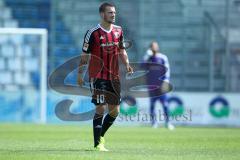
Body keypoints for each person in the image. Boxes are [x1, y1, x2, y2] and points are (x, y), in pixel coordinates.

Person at [77, 2, 133, 151]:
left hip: (114, 77)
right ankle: (97, 144)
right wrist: (79, 74)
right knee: (101, 108)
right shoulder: (93, 33)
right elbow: (84, 56)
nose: (113, 15)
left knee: (115, 111)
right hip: (97, 76)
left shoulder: (119, 30)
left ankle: (100, 135)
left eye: (114, 12)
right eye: (110, 12)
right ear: (102, 14)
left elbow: (122, 50)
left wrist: (127, 64)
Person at [143, 41, 175, 130]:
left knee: (165, 104)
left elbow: (167, 69)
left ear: (157, 47)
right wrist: (146, 57)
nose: (154, 48)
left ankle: (168, 122)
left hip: (161, 85)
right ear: (150, 48)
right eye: (152, 46)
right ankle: (154, 123)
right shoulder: (148, 58)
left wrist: (166, 80)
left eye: (155, 46)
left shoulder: (162, 57)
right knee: (152, 104)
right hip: (151, 85)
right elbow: (142, 66)